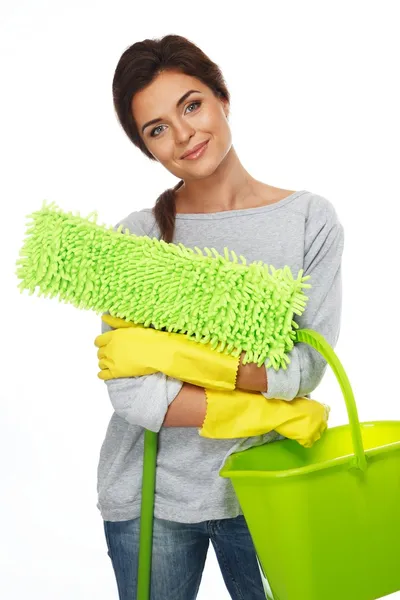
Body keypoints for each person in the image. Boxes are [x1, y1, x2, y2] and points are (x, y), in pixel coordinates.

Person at [97, 34, 344, 600]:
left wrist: (179, 363)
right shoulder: (139, 237)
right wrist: (270, 400)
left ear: (222, 99)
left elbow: (306, 367)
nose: (183, 134)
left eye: (191, 105)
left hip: (269, 487)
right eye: (157, 128)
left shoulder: (309, 220)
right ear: (147, 148)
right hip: (148, 494)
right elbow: (133, 395)